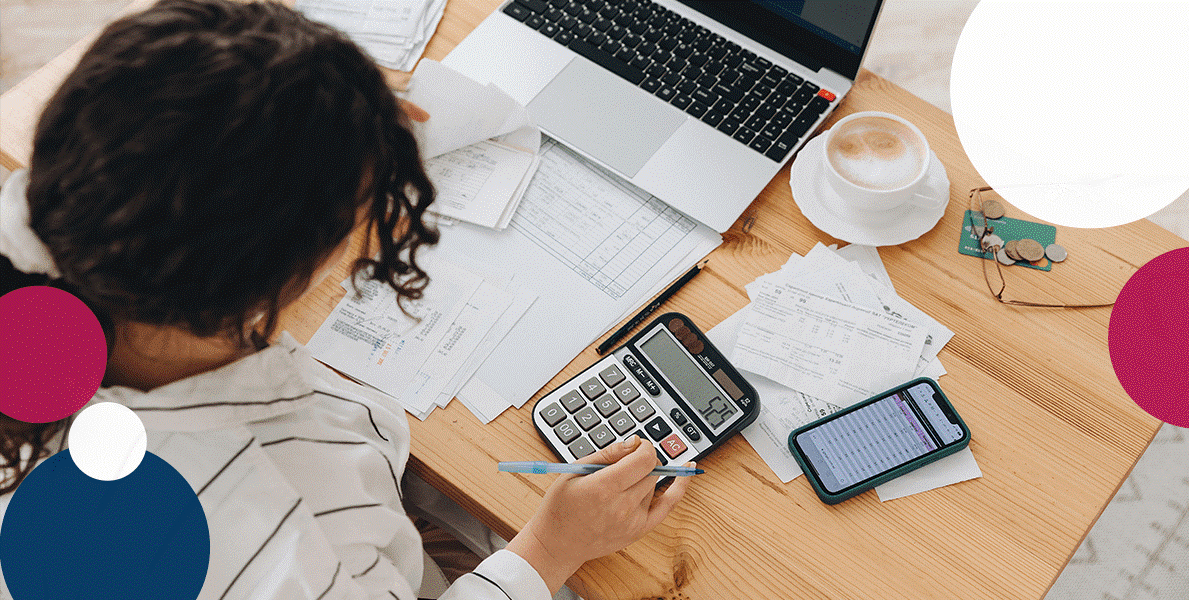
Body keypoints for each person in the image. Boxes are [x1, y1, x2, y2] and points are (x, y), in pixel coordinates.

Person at [0, 1, 690, 598]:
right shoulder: (254, 536)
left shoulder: (55, 228)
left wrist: (341, 122)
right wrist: (549, 549)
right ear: (276, 280)